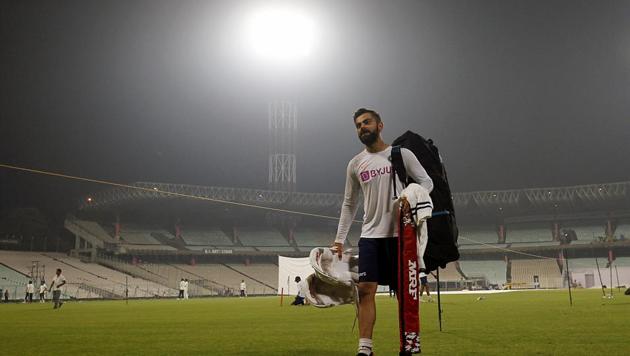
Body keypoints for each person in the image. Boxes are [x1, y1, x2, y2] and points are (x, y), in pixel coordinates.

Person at [332, 108, 433, 356]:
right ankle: (365, 349)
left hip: (401, 237)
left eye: (367, 122)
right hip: (370, 237)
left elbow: (426, 181)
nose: (362, 127)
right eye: (358, 125)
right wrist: (339, 239)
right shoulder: (355, 164)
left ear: (380, 125)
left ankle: (408, 346)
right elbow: (349, 204)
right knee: (365, 290)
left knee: (404, 295)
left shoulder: (400, 154)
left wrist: (413, 196)